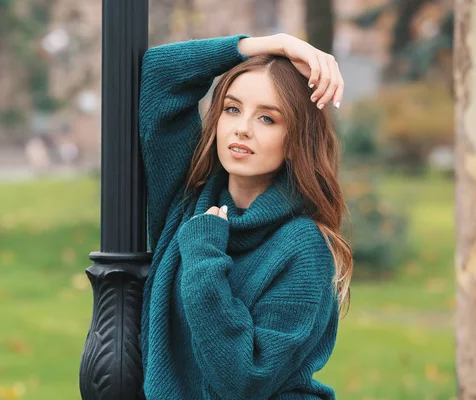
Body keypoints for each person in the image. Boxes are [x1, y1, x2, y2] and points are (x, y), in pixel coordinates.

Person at [138, 33, 353, 399]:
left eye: (267, 118)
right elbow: (160, 75)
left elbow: (243, 380)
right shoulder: (186, 199)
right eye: (232, 109)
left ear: (295, 140)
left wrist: (204, 255)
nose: (242, 128)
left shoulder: (304, 248)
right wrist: (277, 44)